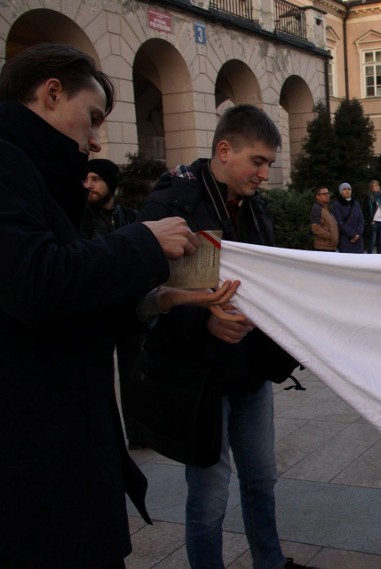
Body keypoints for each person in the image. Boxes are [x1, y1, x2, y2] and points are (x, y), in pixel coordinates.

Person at [0, 42, 225, 569]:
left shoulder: (36, 172)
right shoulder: (8, 165)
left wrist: (159, 300)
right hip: (32, 459)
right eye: (93, 117)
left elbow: (72, 299)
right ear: (51, 93)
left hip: (65, 446)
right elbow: (37, 282)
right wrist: (143, 242)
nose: (97, 138)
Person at [136, 104, 313, 569]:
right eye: (258, 161)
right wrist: (206, 321)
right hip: (200, 378)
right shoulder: (169, 205)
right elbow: (145, 300)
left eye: (269, 165)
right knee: (210, 495)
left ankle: (270, 563)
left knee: (262, 480)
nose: (264, 174)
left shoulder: (256, 209)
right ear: (224, 150)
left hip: (250, 373)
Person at [80, 158, 148, 448]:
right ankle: (104, 439)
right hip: (97, 312)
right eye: (86, 179)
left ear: (110, 183)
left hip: (130, 310)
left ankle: (138, 435)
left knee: (134, 376)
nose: (89, 185)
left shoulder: (130, 217)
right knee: (97, 380)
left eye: (96, 179)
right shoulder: (80, 220)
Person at [331, 181, 365, 253]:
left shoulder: (356, 204)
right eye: (344, 189)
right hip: (345, 240)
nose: (347, 191)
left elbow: (361, 219)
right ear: (340, 192)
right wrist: (352, 234)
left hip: (358, 240)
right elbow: (340, 223)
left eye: (349, 189)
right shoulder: (337, 206)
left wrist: (358, 234)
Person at [311, 185, 339, 251]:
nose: (327, 195)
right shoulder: (317, 209)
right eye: (324, 194)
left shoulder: (326, 208)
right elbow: (316, 228)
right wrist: (330, 236)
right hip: (323, 248)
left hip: (330, 247)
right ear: (317, 196)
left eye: (328, 193)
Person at [365, 179, 381, 253]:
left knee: (380, 242)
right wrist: (371, 220)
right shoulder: (370, 197)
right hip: (374, 222)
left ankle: (379, 258)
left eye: (378, 185)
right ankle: (369, 257)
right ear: (371, 188)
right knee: (372, 242)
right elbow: (367, 210)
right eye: (375, 186)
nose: (377, 187)